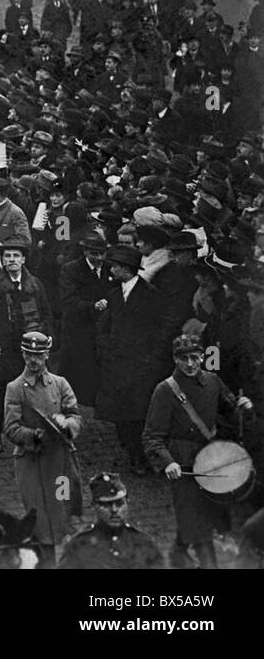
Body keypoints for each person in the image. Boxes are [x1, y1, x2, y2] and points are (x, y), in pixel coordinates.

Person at [142, 333, 254, 569]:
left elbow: (230, 408)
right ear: (175, 359)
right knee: (198, 524)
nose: (190, 364)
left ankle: (179, 551)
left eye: (194, 357)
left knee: (210, 512)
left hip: (212, 462)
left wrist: (243, 408)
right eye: (183, 359)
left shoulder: (212, 381)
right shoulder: (165, 390)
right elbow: (152, 436)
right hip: (184, 468)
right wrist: (167, 462)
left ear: (203, 356)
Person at [95, 244, 180, 475]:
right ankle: (132, 453)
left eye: (114, 267)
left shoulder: (150, 295)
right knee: (121, 415)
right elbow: (104, 326)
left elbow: (166, 325)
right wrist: (105, 348)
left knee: (139, 415)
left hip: (142, 367)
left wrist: (153, 356)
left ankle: (141, 458)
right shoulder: (114, 294)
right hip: (117, 365)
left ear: (126, 269)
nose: (111, 271)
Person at [3, 331, 82, 568]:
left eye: (38, 354)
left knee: (64, 514)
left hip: (60, 465)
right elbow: (11, 428)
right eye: (28, 354)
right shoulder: (15, 388)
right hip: (33, 466)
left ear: (47, 354)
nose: (33, 360)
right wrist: (33, 436)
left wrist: (67, 425)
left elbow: (75, 416)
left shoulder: (60, 384)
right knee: (40, 522)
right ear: (23, 354)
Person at [0, 237, 52, 451]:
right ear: (2, 261)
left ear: (24, 259)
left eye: (16, 256)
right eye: (7, 256)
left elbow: (46, 314)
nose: (11, 260)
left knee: (31, 394)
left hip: (28, 351)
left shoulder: (35, 286)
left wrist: (47, 336)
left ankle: (29, 434)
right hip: (2, 351)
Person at [59, 472, 164, 569]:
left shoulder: (144, 543)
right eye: (106, 504)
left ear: (127, 503)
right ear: (94, 505)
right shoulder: (78, 547)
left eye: (119, 503)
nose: (114, 510)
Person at [57, 231, 110, 407]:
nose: (99, 257)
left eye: (102, 253)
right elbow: (68, 301)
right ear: (85, 252)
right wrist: (92, 306)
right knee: (80, 368)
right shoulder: (71, 269)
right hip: (79, 327)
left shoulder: (110, 268)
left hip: (104, 326)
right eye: (94, 254)